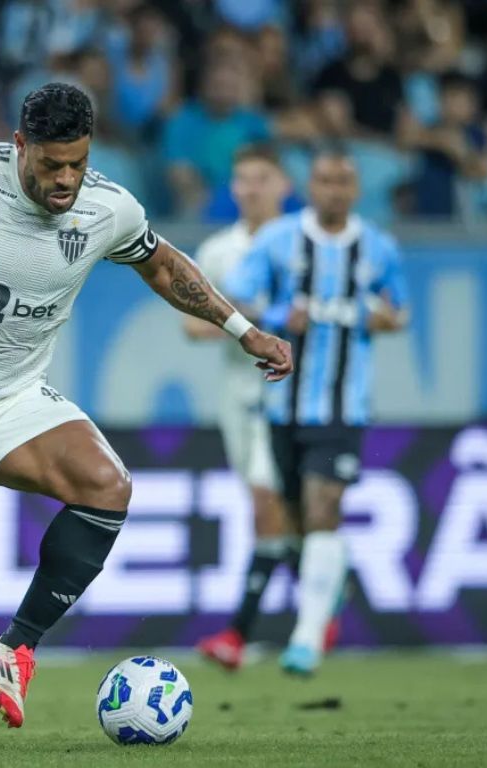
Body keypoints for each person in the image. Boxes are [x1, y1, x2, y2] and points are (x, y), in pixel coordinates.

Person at [0, 83, 291, 729]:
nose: (66, 178)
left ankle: (14, 648)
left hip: (7, 393)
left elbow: (161, 264)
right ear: (22, 147)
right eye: (51, 165)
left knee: (106, 484)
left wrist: (245, 330)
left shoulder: (108, 207)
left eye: (78, 163)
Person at [225, 149, 410, 677]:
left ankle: (306, 641)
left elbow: (400, 311)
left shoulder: (378, 247)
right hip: (281, 406)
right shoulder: (279, 240)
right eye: (326, 179)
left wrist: (383, 319)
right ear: (311, 185)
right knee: (299, 524)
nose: (335, 189)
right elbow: (237, 298)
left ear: (355, 189)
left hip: (342, 407)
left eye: (344, 180)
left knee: (324, 508)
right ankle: (331, 588)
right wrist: (281, 314)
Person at [186, 145, 296, 670]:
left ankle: (238, 632)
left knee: (265, 504)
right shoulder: (216, 250)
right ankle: (327, 587)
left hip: (293, 395)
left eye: (262, 178)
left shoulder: (303, 245)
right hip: (238, 391)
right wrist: (247, 324)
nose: (251, 188)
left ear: (283, 185)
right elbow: (190, 323)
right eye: (243, 179)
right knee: (278, 510)